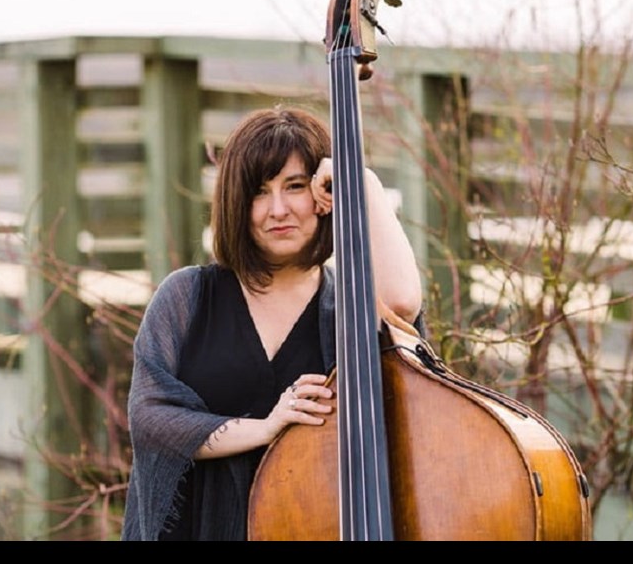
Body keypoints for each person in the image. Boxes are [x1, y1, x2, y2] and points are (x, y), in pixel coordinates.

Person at [120, 106, 423, 541]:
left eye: (295, 186)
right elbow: (152, 418)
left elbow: (402, 305)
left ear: (324, 195)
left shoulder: (352, 307)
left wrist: (363, 182)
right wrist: (264, 428)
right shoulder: (188, 297)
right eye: (259, 192)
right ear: (236, 203)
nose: (277, 209)